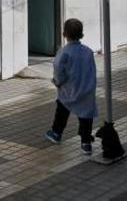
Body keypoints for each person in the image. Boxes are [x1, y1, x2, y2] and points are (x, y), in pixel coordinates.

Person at [44, 18, 98, 155]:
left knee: (61, 111)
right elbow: (92, 70)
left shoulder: (64, 52)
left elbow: (58, 71)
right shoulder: (88, 51)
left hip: (68, 90)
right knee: (86, 117)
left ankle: (56, 133)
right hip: (86, 90)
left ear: (64, 34)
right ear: (82, 35)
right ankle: (86, 143)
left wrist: (57, 82)